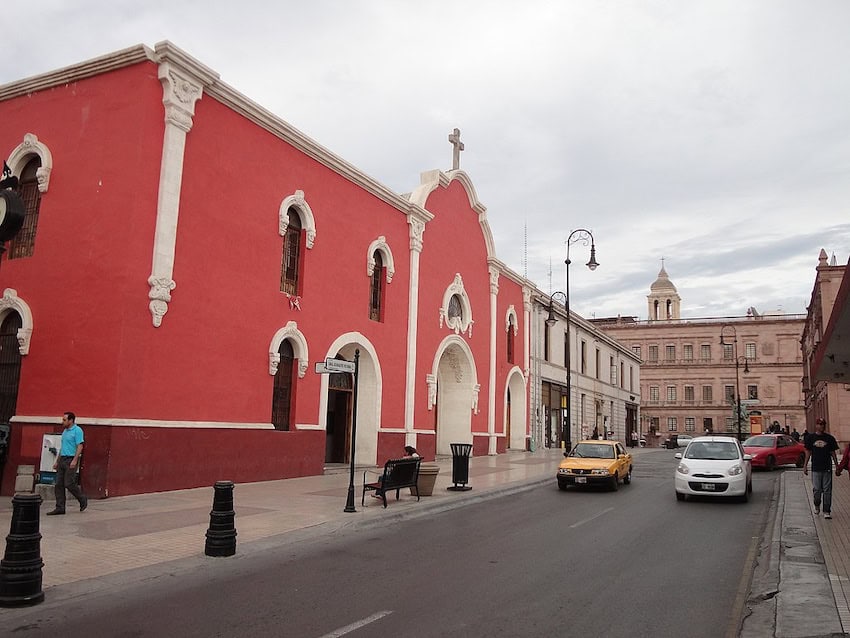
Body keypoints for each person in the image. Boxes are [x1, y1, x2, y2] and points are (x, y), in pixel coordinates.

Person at [47, 412, 88, 515]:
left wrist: (75, 459)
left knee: (69, 483)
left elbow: (80, 446)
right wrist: (57, 461)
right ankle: (60, 507)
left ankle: (82, 498)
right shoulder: (65, 432)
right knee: (59, 484)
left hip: (71, 459)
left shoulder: (77, 431)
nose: (63, 422)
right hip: (63, 459)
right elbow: (62, 447)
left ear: (71, 420)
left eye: (65, 420)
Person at [804, 417, 839, 519]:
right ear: (816, 425)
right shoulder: (810, 438)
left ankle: (827, 510)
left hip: (827, 467)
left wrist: (837, 466)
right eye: (819, 424)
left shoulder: (829, 438)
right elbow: (808, 452)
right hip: (815, 468)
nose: (821, 426)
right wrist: (805, 466)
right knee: (817, 489)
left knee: (827, 490)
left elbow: (833, 453)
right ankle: (817, 504)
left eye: (823, 424)